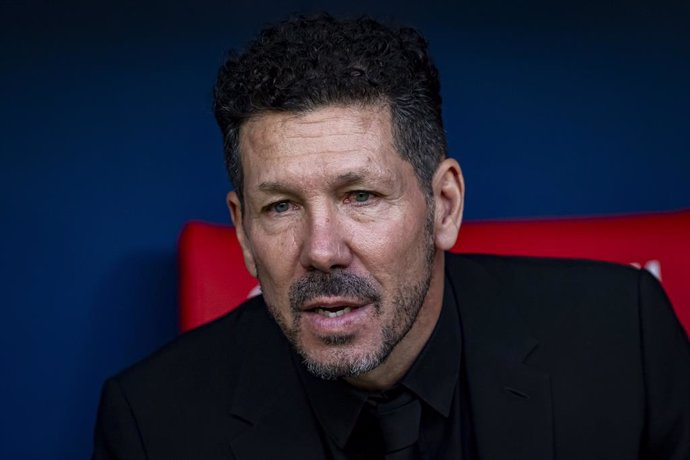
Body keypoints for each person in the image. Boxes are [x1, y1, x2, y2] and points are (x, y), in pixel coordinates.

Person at [92, 14, 690, 460]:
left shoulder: (623, 338)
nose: (322, 250)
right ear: (243, 233)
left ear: (445, 207)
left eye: (361, 196)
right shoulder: (152, 425)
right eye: (280, 206)